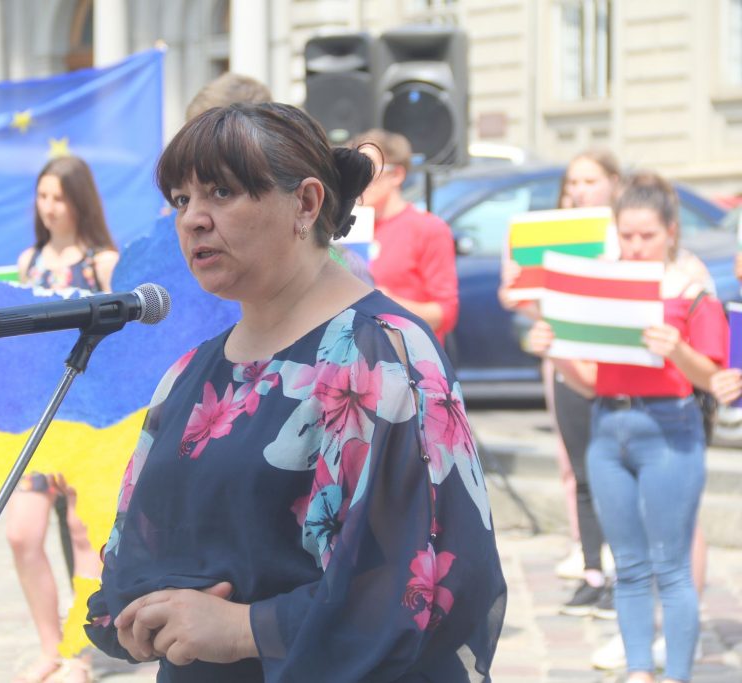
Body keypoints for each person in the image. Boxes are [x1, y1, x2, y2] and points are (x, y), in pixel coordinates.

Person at [84, 103, 506, 682]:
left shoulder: (381, 355)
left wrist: (244, 629)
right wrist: (136, 614)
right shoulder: (191, 372)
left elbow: (426, 588)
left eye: (222, 192)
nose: (193, 220)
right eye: (182, 200)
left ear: (305, 204)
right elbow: (138, 546)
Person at [527, 172, 728, 683]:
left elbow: (714, 377)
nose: (636, 246)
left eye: (648, 236)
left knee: (672, 566)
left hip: (669, 428)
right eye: (627, 235)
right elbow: (591, 382)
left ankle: (676, 674)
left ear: (671, 232)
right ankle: (639, 670)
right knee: (629, 566)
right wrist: (556, 350)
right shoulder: (608, 288)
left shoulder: (691, 290)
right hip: (608, 425)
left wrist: (676, 349)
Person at [8, 156, 117, 683]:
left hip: (91, 419)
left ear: (80, 201)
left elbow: (124, 348)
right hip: (39, 418)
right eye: (42, 196)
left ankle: (78, 653)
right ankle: (49, 647)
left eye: (59, 197)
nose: (49, 207)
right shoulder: (28, 262)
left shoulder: (103, 264)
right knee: (21, 533)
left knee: (82, 533)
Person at [498, 149, 620, 620]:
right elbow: (534, 305)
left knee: (612, 470)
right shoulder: (550, 234)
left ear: (613, 182)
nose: (579, 191)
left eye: (590, 181)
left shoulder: (622, 233)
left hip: (613, 365)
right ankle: (593, 572)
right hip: (567, 361)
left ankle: (621, 574)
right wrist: (518, 291)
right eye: (573, 183)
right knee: (582, 470)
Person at [351, 128, 458, 343]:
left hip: (409, 355)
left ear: (396, 175)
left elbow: (446, 313)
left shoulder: (428, 228)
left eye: (368, 170)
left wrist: (387, 304)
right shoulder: (348, 227)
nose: (358, 179)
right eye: (354, 170)